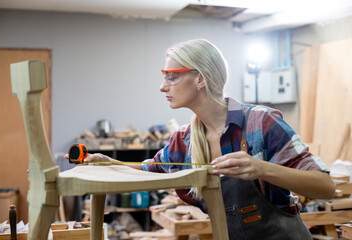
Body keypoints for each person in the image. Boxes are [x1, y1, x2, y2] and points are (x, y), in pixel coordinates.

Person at [76, 39, 335, 239]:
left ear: (200, 78)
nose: (162, 86)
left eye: (171, 76)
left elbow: (326, 187)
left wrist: (261, 168)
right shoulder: (184, 141)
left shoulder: (261, 122)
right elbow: (150, 170)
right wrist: (109, 162)